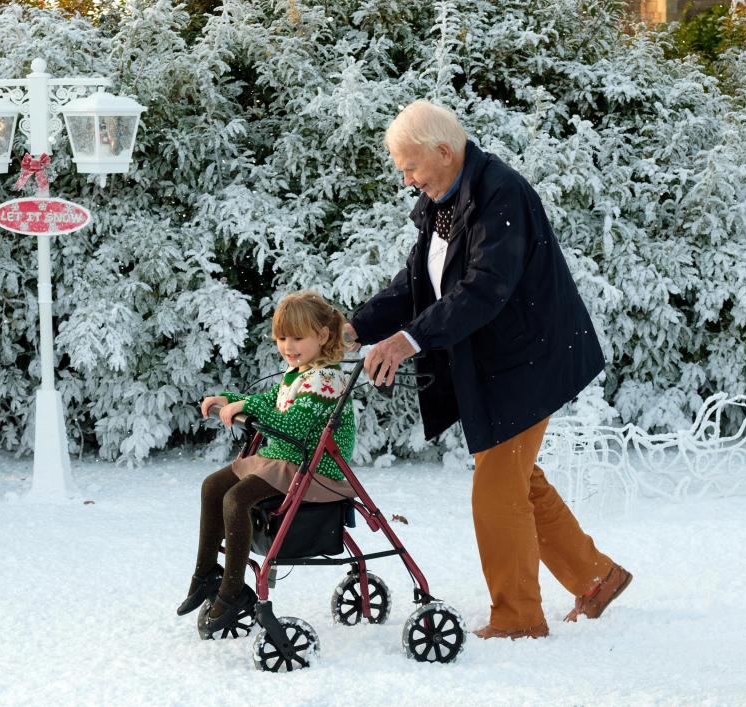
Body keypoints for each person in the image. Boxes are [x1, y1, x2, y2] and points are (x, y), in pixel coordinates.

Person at [344, 100, 632, 640]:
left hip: (529, 359)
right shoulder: (443, 201)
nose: (406, 180)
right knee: (519, 479)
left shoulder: (502, 192)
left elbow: (485, 288)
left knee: (497, 489)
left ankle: (519, 616)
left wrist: (408, 341)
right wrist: (356, 328)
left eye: (410, 167)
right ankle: (596, 577)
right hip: (496, 361)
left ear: (445, 151)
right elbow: (417, 282)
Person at [177, 291, 356, 635]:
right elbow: (272, 399)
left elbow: (293, 427)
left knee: (236, 499)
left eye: (297, 337)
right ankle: (205, 574)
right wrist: (231, 400)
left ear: (321, 336)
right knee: (213, 486)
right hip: (288, 460)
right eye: (282, 338)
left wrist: (250, 411)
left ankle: (231, 593)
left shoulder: (326, 381)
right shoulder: (301, 372)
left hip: (315, 471)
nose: (288, 346)